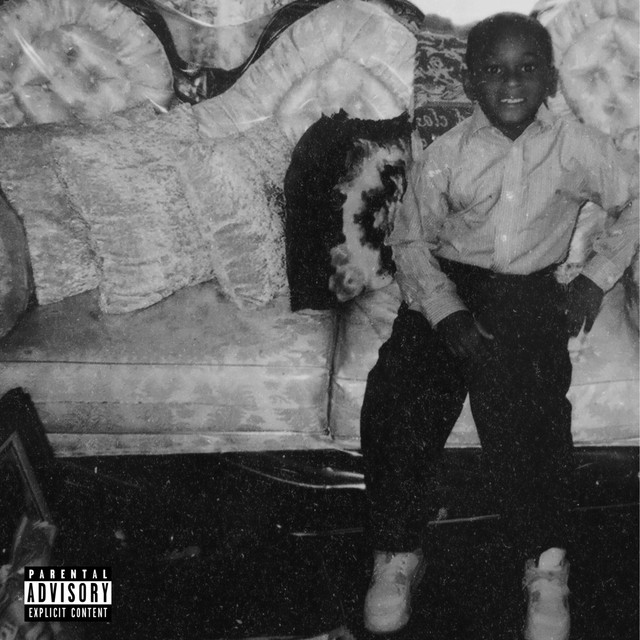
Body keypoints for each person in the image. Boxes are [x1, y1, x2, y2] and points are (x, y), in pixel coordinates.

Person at [360, 12, 638, 639]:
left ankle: (546, 560)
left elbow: (636, 195)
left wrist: (596, 277)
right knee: (399, 393)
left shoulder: (577, 145)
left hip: (528, 290)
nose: (511, 83)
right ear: (469, 82)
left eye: (526, 68)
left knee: (529, 406)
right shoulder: (446, 155)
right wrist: (446, 312)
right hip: (451, 284)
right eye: (493, 70)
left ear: (551, 79)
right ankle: (398, 549)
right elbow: (409, 243)